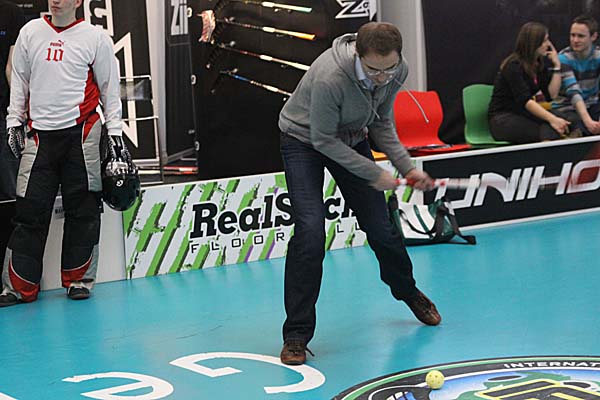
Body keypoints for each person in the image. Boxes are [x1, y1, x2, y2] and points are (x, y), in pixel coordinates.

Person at [277, 22, 441, 366]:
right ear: (358, 56)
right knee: (310, 232)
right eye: (373, 70)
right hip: (303, 141)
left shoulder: (397, 69)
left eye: (389, 70)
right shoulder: (330, 76)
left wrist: (407, 168)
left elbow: (381, 122)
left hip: (352, 138)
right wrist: (374, 173)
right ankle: (296, 335)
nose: (382, 78)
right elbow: (323, 140)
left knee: (381, 229)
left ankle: (407, 291)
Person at [0, 0, 127, 307]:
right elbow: (19, 80)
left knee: (83, 210)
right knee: (28, 211)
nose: (55, 0)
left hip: (82, 133)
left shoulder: (95, 37)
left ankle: (79, 280)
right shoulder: (30, 32)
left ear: (78, 1)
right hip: (39, 135)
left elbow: (110, 88)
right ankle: (18, 287)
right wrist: (14, 121)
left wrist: (115, 133)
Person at [488, 22, 571, 144]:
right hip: (503, 118)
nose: (548, 44)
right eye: (545, 40)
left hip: (523, 114)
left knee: (567, 119)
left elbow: (551, 95)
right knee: (549, 128)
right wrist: (552, 119)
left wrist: (557, 66)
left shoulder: (538, 64)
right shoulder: (513, 66)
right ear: (534, 43)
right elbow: (525, 101)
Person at [552, 15, 600, 136]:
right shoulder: (563, 58)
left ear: (593, 36)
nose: (575, 40)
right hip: (566, 108)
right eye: (572, 35)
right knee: (580, 128)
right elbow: (574, 92)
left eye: (580, 36)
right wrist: (588, 122)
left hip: (592, 105)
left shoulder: (598, 55)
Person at [0, 0, 25, 200]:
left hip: (2, 109)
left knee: (9, 185)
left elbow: (13, 67)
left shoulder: (11, 13)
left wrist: (19, 108)